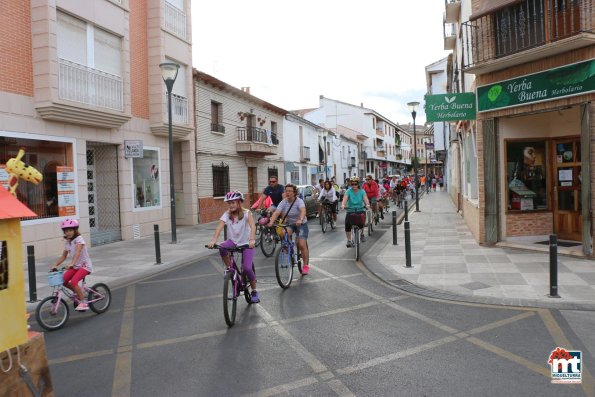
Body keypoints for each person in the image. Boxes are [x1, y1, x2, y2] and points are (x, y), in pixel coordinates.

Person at [208, 191, 260, 303]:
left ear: (240, 202)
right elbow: (219, 227)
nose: (231, 205)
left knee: (247, 268)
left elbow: (252, 226)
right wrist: (214, 240)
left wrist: (251, 239)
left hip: (246, 243)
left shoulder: (247, 213)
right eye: (229, 203)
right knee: (222, 247)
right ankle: (229, 269)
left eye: (233, 202)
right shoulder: (227, 214)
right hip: (233, 242)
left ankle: (254, 290)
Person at [50, 219, 93, 311]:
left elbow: (77, 252)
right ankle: (78, 292)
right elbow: (63, 256)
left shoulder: (79, 240)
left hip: (85, 266)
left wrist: (72, 263)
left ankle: (83, 302)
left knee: (74, 282)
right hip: (75, 266)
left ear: (75, 230)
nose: (68, 233)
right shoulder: (67, 242)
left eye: (70, 230)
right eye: (66, 231)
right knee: (63, 281)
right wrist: (55, 264)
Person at [267, 184, 311, 275]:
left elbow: (303, 211)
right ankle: (288, 246)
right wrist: (271, 222)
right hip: (290, 224)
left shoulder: (299, 201)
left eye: (290, 191)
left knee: (301, 244)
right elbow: (276, 213)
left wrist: (300, 219)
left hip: (301, 224)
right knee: (282, 232)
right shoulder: (283, 202)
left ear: (294, 193)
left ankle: (305, 266)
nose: (287, 193)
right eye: (286, 191)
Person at [341, 176, 370, 247]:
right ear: (351, 184)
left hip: (360, 209)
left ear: (358, 184)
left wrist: (367, 204)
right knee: (347, 223)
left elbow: (365, 199)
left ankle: (362, 234)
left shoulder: (362, 191)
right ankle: (349, 240)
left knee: (362, 221)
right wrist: (343, 205)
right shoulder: (348, 191)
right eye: (352, 184)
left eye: (355, 184)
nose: (354, 185)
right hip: (350, 210)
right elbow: (345, 199)